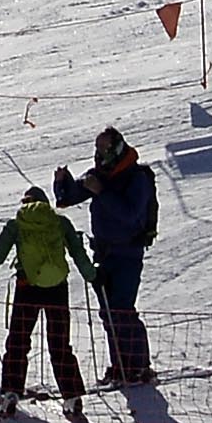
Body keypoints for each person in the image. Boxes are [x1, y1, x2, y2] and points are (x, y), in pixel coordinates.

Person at [0, 179, 89, 417]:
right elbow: (78, 254)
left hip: (26, 287)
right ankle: (72, 396)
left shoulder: (17, 224)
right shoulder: (59, 222)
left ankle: (10, 392)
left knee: (18, 340)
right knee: (60, 343)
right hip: (57, 288)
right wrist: (93, 276)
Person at [69, 128, 163, 386]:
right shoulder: (102, 173)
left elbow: (130, 214)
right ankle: (120, 365)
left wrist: (101, 192)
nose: (99, 154)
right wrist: (62, 183)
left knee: (122, 310)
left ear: (117, 148)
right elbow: (69, 196)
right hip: (104, 253)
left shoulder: (136, 177)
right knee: (109, 312)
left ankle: (139, 366)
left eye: (104, 149)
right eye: (98, 148)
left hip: (127, 254)